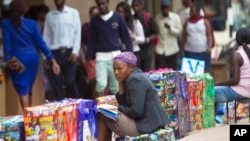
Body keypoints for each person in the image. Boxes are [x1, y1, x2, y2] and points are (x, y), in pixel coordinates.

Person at [1, 0, 60, 109]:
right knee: (28, 89)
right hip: (32, 58)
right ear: (23, 11)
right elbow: (41, 43)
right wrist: (52, 60)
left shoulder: (6, 23)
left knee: (22, 89)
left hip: (17, 59)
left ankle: (27, 117)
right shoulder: (32, 24)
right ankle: (30, 116)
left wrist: (8, 60)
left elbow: (7, 43)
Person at [97, 51, 169, 141]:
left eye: (119, 69)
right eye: (114, 69)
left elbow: (136, 112)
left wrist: (117, 107)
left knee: (102, 114)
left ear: (131, 67)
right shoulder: (133, 77)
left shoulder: (135, 80)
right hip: (145, 123)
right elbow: (126, 104)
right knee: (106, 113)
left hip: (145, 126)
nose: (116, 72)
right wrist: (121, 84)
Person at [87, 0, 133, 97]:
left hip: (115, 56)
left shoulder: (118, 17)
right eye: (99, 4)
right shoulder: (95, 20)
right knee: (100, 84)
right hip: (100, 56)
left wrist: (130, 55)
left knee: (115, 85)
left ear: (108, 3)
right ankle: (101, 108)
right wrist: (89, 58)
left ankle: (117, 107)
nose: (101, 6)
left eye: (103, 3)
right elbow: (91, 40)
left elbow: (126, 37)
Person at [43, 0, 81, 100]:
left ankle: (75, 105)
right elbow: (46, 36)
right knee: (56, 83)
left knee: (70, 81)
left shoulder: (73, 13)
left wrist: (75, 51)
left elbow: (78, 33)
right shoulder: (49, 16)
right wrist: (45, 56)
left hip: (69, 52)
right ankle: (61, 107)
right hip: (54, 55)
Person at [215, 27, 250, 114]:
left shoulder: (237, 54)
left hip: (242, 91)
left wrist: (218, 83)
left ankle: (216, 118)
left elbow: (235, 81)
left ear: (237, 40)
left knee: (212, 90)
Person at [179, 4, 212, 72]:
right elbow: (184, 37)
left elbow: (209, 35)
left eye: (192, 11)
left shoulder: (205, 21)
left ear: (198, 12)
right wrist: (181, 50)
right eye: (190, 11)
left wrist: (209, 46)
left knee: (203, 71)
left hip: (203, 51)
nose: (190, 13)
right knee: (190, 71)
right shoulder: (187, 22)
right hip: (190, 52)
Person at [155, 0, 182, 70]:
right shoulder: (157, 18)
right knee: (160, 70)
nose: (165, 9)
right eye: (163, 7)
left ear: (169, 8)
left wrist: (170, 28)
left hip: (172, 49)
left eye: (166, 7)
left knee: (172, 70)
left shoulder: (175, 17)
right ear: (161, 8)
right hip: (160, 49)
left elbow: (179, 32)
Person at [116, 1, 145, 68]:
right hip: (121, 53)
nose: (120, 14)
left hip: (134, 52)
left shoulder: (135, 22)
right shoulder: (116, 24)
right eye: (118, 12)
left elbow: (142, 39)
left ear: (126, 12)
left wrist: (134, 37)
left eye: (122, 12)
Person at [132, 0, 158, 72]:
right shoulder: (132, 18)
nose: (135, 8)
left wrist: (148, 39)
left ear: (142, 6)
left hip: (147, 48)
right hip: (137, 49)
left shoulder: (148, 17)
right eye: (133, 6)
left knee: (146, 70)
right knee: (137, 70)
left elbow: (155, 32)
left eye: (137, 6)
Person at [79, 6, 99, 99]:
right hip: (90, 57)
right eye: (92, 15)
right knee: (93, 82)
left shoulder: (102, 26)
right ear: (90, 15)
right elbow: (82, 42)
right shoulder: (86, 27)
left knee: (103, 82)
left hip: (102, 56)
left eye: (96, 14)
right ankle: (95, 101)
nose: (94, 16)